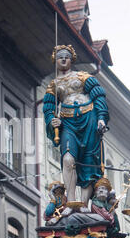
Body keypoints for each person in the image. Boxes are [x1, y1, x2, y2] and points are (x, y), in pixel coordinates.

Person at [43, 45, 109, 206]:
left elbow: (98, 96)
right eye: (60, 57)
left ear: (71, 59)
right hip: (68, 123)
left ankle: (84, 203)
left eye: (66, 56)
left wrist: (101, 118)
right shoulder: (53, 85)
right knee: (67, 159)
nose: (63, 59)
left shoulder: (83, 77)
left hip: (89, 119)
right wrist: (53, 120)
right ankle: (71, 201)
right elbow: (49, 108)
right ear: (55, 61)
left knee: (89, 162)